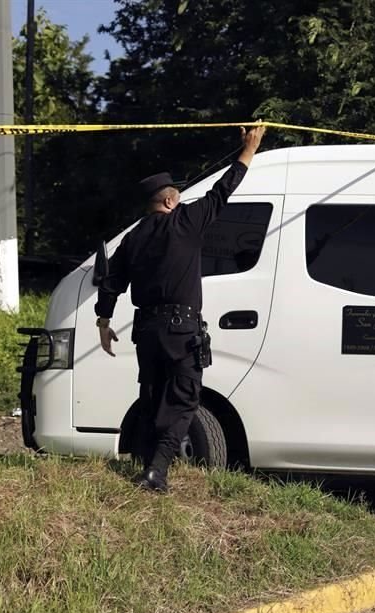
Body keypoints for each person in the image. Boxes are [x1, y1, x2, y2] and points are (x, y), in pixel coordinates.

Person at [95, 123, 266, 492]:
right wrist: (248, 149)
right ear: (171, 201)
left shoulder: (133, 237)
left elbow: (111, 281)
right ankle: (156, 471)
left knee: (153, 395)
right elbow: (223, 191)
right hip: (180, 331)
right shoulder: (185, 222)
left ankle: (144, 461)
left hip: (146, 331)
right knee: (184, 398)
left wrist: (103, 321)